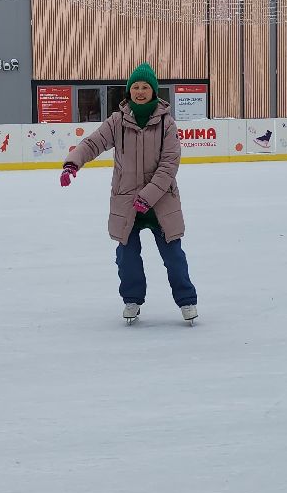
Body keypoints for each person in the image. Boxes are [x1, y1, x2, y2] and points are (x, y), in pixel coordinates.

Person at [61, 63, 199, 325]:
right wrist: (73, 162)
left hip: (160, 202)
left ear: (154, 91)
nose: (139, 91)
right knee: (126, 257)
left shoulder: (167, 124)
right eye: (135, 86)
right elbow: (92, 143)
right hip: (127, 202)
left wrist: (147, 196)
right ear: (129, 91)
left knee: (173, 256)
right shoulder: (117, 122)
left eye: (145, 87)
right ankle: (132, 300)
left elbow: (169, 165)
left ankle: (187, 300)